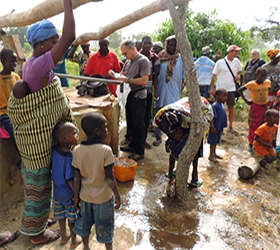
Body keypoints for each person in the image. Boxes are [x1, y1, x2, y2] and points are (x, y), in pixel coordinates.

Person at [8, 0, 76, 244]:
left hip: (37, 143)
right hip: (35, 143)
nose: (58, 44)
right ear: (40, 44)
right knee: (38, 189)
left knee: (39, 187)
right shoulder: (37, 65)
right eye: (53, 41)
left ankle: (38, 222)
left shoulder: (35, 63)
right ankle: (36, 234)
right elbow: (70, 36)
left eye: (56, 41)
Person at [72, 112, 121, 250]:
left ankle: (86, 247)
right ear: (97, 131)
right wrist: (117, 195)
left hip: (85, 198)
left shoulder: (77, 150)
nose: (107, 129)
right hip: (103, 200)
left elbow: (76, 176)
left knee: (85, 224)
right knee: (105, 226)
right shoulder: (106, 151)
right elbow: (110, 178)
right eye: (105, 127)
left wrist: (76, 196)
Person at [154, 97, 213, 189]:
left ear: (182, 128)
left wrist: (183, 136)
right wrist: (170, 139)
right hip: (182, 112)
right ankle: (171, 173)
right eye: (172, 133)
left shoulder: (191, 120)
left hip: (201, 114)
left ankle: (194, 178)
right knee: (173, 152)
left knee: (194, 154)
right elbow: (165, 129)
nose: (175, 137)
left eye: (176, 134)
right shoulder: (160, 117)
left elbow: (200, 129)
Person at [109, 40, 150, 161]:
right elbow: (122, 74)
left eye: (125, 53)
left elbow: (144, 81)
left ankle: (139, 151)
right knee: (131, 123)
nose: (124, 56)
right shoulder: (128, 61)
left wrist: (127, 80)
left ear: (132, 49)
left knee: (139, 124)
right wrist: (115, 74)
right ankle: (132, 146)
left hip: (139, 95)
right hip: (129, 95)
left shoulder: (143, 61)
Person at [51, 122, 82, 248]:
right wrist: (77, 195)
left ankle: (63, 236)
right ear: (64, 139)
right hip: (68, 194)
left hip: (57, 192)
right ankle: (74, 241)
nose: (77, 136)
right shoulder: (70, 156)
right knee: (71, 218)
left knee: (60, 216)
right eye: (74, 133)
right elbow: (70, 179)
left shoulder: (55, 151)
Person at [153, 35, 185, 147]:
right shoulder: (160, 57)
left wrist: (180, 89)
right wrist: (155, 90)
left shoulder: (181, 59)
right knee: (159, 114)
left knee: (173, 115)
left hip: (174, 91)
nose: (171, 47)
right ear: (166, 45)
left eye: (173, 45)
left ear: (177, 46)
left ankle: (172, 138)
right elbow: (156, 75)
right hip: (161, 90)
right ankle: (158, 136)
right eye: (169, 45)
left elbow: (183, 77)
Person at [210, 45, 243, 132]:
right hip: (221, 88)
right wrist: (212, 88)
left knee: (231, 107)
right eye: (236, 51)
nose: (237, 53)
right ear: (230, 52)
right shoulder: (220, 62)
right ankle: (219, 125)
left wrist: (238, 75)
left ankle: (231, 126)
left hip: (231, 88)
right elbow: (213, 76)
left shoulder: (237, 61)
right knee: (219, 107)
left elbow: (240, 71)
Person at [238, 67, 270, 151]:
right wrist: (247, 101)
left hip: (264, 107)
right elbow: (240, 90)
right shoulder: (251, 84)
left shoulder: (267, 83)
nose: (263, 78)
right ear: (256, 75)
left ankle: (260, 143)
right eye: (261, 76)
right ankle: (251, 143)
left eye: (265, 76)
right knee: (254, 125)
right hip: (255, 107)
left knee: (263, 125)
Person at [139, 35, 160, 149]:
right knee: (138, 117)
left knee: (146, 118)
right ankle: (135, 140)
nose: (147, 45)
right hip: (137, 90)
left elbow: (155, 76)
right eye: (145, 43)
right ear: (141, 44)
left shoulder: (154, 58)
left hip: (148, 91)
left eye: (149, 43)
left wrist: (155, 91)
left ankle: (143, 140)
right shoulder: (137, 56)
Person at [0, 49, 20, 139]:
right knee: (13, 130)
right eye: (12, 61)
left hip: (17, 110)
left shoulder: (16, 77)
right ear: (3, 61)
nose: (15, 63)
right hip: (4, 113)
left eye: (16, 61)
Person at [208, 88, 228, 163]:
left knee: (216, 141)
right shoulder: (215, 106)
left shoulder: (221, 105)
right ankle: (211, 156)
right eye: (224, 96)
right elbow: (212, 117)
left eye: (226, 96)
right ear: (217, 96)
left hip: (219, 127)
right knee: (212, 142)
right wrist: (212, 126)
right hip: (215, 127)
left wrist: (222, 127)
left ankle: (214, 153)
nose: (225, 98)